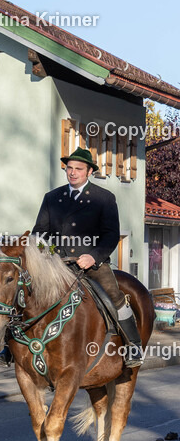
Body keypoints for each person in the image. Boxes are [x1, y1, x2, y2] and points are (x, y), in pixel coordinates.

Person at [23, 147, 140, 367]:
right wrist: (45, 255)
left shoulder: (104, 198)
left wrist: (93, 257)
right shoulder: (52, 197)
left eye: (78, 169)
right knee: (27, 292)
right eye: (69, 168)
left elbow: (111, 235)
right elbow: (39, 233)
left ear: (89, 172)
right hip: (56, 263)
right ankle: (9, 348)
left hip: (91, 263)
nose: (73, 172)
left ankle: (133, 345)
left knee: (114, 295)